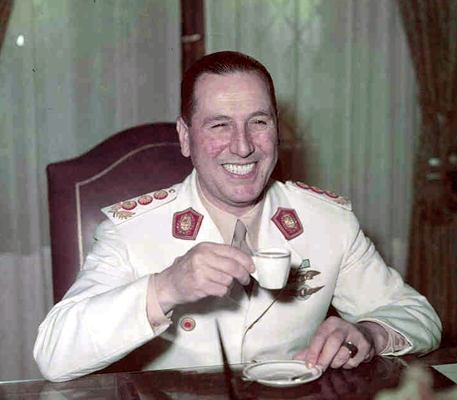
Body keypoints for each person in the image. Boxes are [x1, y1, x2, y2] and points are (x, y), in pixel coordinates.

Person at [34, 51, 441, 382]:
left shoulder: (327, 222)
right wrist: (164, 288)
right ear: (185, 136)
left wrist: (368, 334)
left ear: (277, 130)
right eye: (219, 126)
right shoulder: (132, 230)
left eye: (258, 123)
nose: (243, 147)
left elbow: (418, 316)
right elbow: (53, 355)